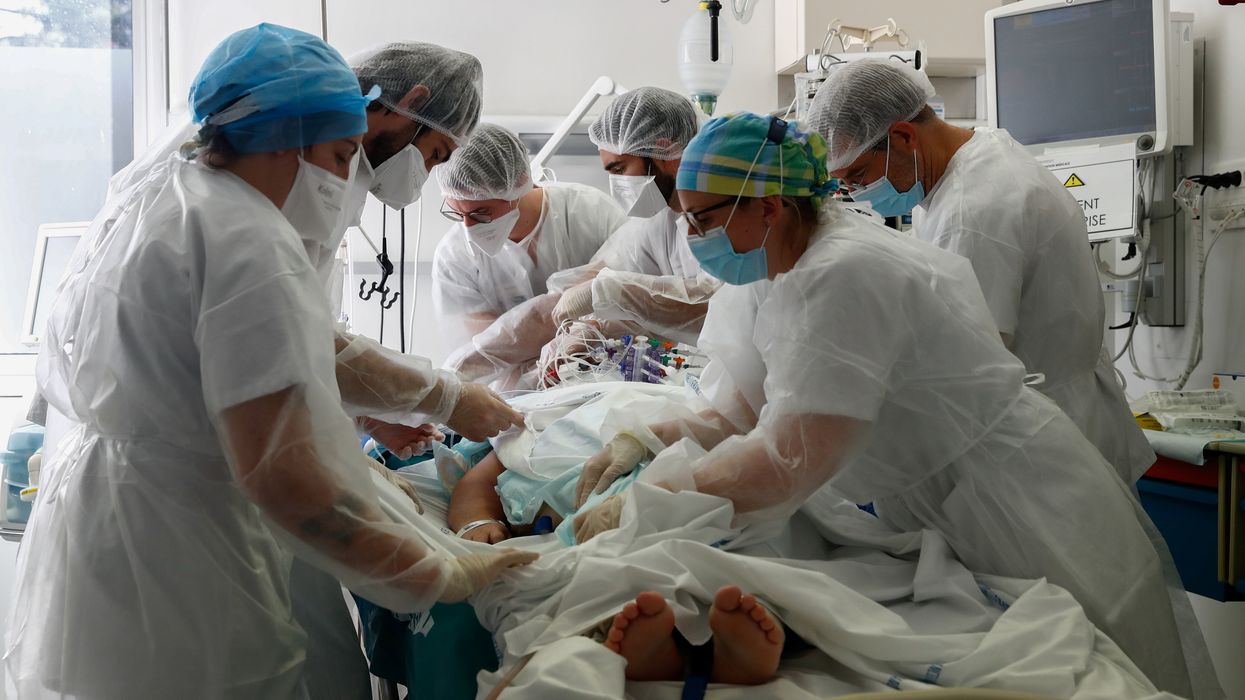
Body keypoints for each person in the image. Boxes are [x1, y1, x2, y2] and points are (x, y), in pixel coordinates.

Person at [569, 112, 1213, 698]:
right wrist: (646, 444)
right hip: (931, 495)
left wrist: (659, 496)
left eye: (703, 219)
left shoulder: (843, 272)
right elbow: (738, 408)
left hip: (1011, 494)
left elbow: (791, 459)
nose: (691, 233)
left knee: (1090, 657)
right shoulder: (769, 269)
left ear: (766, 207)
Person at [3, 25, 535, 699]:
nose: (343, 181)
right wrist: (433, 574)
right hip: (187, 534)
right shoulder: (249, 241)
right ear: (290, 136)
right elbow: (279, 471)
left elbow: (268, 351)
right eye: (341, 155)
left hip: (117, 517)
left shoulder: (175, 196)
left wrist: (420, 401)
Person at [806, 59, 1154, 485]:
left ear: (902, 136)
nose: (856, 193)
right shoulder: (979, 154)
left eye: (858, 176)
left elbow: (965, 368)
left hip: (1039, 450)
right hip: (1051, 422)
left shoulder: (975, 208)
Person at [432, 123, 628, 388]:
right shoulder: (454, 257)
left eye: (481, 213)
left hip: (609, 377)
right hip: (515, 395)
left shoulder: (591, 213)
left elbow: (628, 297)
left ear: (517, 186)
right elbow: (486, 354)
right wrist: (535, 382)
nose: (468, 228)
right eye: (457, 213)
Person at [549, 86, 720, 346]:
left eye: (619, 168)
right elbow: (662, 309)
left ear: (663, 151)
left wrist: (611, 291)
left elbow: (716, 303)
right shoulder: (666, 215)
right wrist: (598, 328)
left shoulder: (725, 206)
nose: (616, 183)